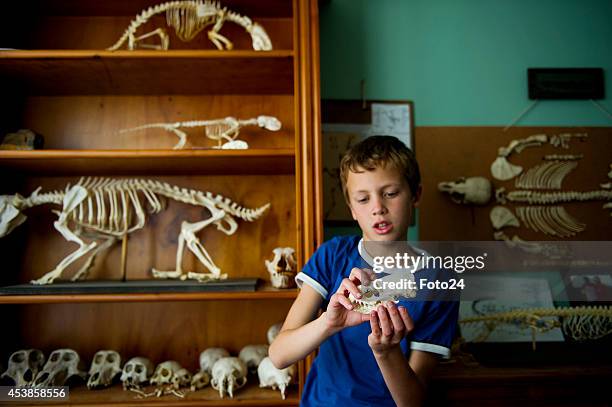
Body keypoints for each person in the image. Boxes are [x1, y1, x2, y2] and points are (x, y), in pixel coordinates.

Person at [269, 135, 459, 406]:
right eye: (362, 199)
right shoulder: (333, 255)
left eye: (390, 194)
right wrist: (329, 322)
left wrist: (387, 352)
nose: (378, 209)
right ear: (352, 209)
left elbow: (412, 402)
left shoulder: (440, 280)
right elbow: (279, 355)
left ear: (415, 195)